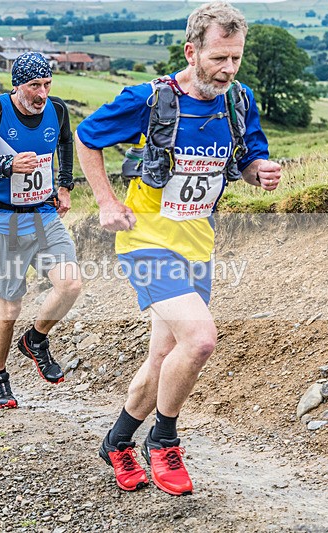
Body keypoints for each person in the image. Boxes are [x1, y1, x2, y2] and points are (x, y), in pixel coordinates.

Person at [75, 1, 282, 494]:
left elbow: (250, 158)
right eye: (218, 59)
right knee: (201, 339)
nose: (228, 69)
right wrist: (106, 203)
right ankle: (163, 441)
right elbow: (86, 137)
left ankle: (118, 441)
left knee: (163, 355)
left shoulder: (239, 101)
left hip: (197, 244)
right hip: (145, 242)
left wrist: (261, 173)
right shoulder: (151, 99)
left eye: (235, 58)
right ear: (192, 52)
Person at [0, 52, 82, 409]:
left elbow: (66, 142)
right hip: (1, 219)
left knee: (70, 284)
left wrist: (65, 185)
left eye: (47, 85)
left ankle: (36, 340)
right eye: (34, 86)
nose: (42, 94)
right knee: (9, 307)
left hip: (43, 215)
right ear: (17, 86)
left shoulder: (57, 109)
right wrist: (3, 165)